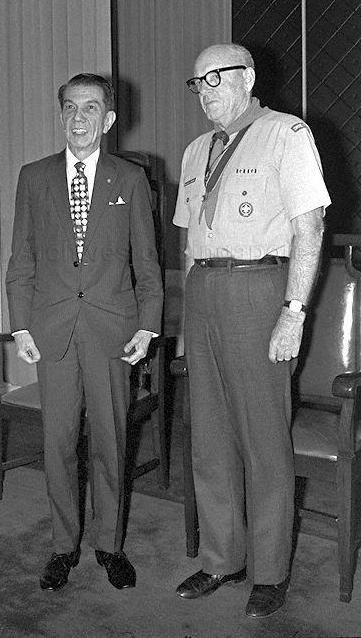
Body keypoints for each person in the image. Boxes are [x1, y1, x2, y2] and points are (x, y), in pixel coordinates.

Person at [173, 44, 331, 618]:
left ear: (249, 78)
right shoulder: (196, 151)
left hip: (259, 289)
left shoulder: (286, 134)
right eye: (198, 82)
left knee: (264, 442)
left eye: (216, 77)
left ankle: (270, 570)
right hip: (204, 293)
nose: (205, 90)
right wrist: (187, 323)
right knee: (210, 439)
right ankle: (222, 557)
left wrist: (293, 312)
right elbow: (188, 241)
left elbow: (310, 227)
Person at [6, 73, 163, 592]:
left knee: (110, 442)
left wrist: (148, 325)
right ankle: (62, 546)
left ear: (109, 119)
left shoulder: (130, 179)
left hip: (112, 330)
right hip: (52, 330)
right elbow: (21, 260)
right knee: (58, 445)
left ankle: (110, 545)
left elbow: (147, 262)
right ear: (61, 116)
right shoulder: (34, 177)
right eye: (71, 107)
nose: (79, 118)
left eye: (91, 108)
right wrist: (20, 325)